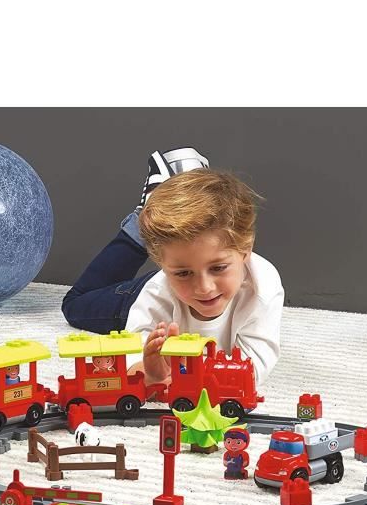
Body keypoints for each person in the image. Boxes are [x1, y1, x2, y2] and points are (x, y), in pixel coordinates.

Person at [62, 148, 284, 387]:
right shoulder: (157, 292)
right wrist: (150, 373)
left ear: (245, 250)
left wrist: (187, 374)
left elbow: (252, 371)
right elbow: (133, 360)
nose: (204, 287)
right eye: (184, 273)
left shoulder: (263, 288)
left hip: (176, 269)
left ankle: (179, 200)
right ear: (160, 264)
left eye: (218, 268)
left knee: (184, 261)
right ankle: (142, 224)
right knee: (75, 305)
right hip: (150, 292)